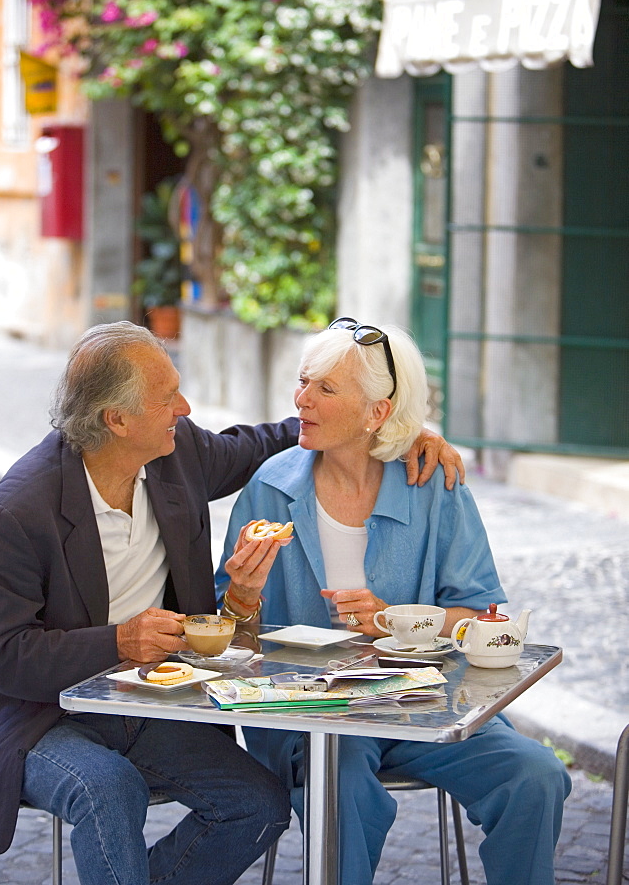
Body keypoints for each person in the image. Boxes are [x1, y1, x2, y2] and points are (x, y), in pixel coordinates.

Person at [0, 320, 459, 884]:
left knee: (257, 804)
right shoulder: (17, 510)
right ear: (116, 420)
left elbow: (271, 440)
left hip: (144, 701)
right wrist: (118, 641)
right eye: (167, 396)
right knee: (110, 789)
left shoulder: (178, 453)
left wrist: (393, 429)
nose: (185, 405)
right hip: (41, 715)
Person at [216, 317, 572, 885]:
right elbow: (229, 644)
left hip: (424, 705)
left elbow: (482, 614)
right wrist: (242, 594)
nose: (300, 399)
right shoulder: (269, 489)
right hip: (311, 716)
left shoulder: (433, 484)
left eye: (325, 389)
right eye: (303, 382)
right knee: (342, 775)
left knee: (535, 774)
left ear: (377, 412)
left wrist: (395, 623)